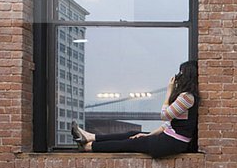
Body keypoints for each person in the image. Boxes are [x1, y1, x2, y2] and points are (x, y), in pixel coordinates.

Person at [71, 60, 200, 158]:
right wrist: (148, 135)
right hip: (170, 139)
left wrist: (168, 93)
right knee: (132, 134)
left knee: (129, 143)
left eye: (181, 73)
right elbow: (168, 124)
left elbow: (165, 116)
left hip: (172, 143)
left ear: (187, 75)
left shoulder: (187, 97)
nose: (178, 76)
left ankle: (89, 147)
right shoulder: (186, 96)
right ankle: (90, 137)